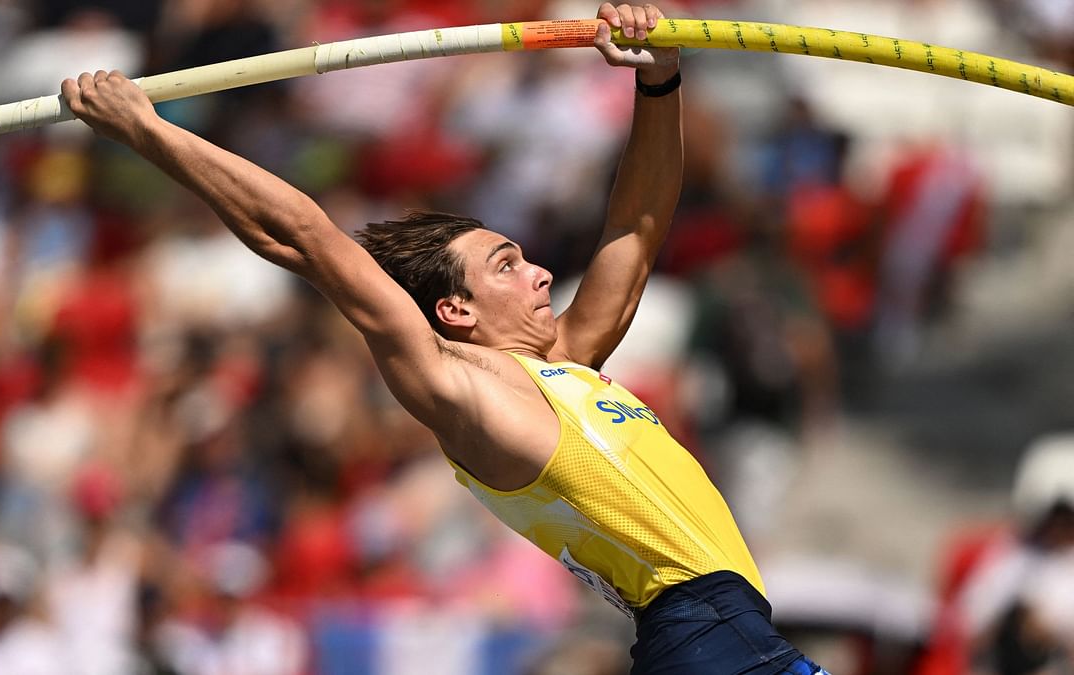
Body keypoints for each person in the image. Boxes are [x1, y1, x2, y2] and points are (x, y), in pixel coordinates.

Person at [62, 3, 829, 673]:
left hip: (724, 634)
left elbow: (637, 222)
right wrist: (146, 130)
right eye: (507, 263)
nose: (538, 274)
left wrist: (658, 78)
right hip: (707, 634)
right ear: (456, 311)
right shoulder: (462, 389)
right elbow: (299, 236)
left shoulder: (566, 362)